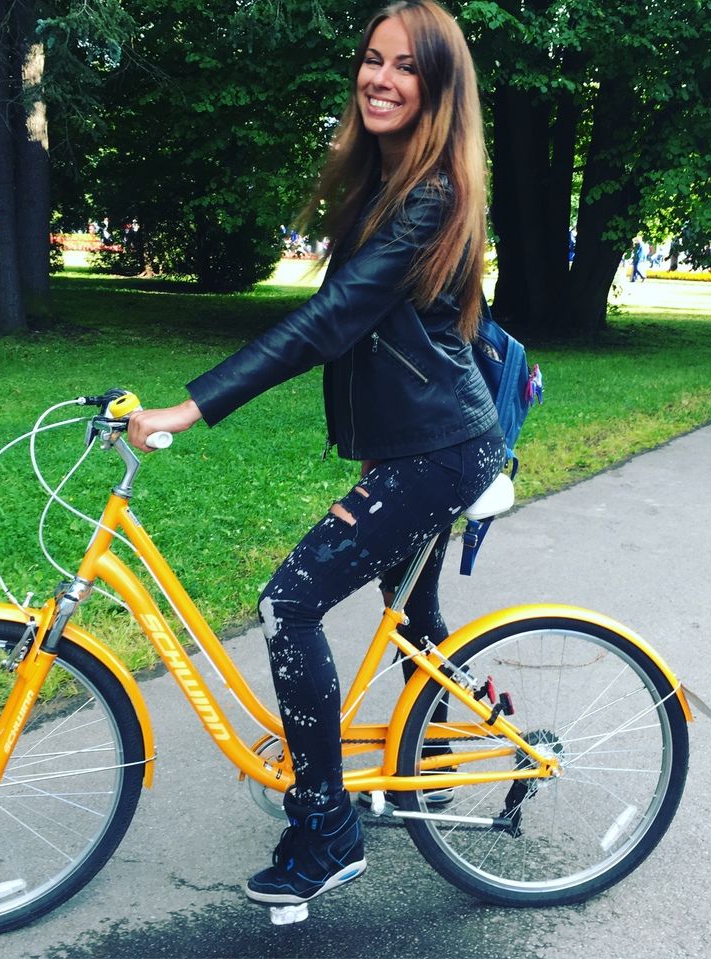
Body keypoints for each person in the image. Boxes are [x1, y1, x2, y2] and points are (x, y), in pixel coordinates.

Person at [128, 0, 503, 908]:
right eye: (373, 59)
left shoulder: (429, 196)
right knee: (414, 616)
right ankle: (435, 762)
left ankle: (328, 828)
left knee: (288, 602)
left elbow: (331, 322)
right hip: (424, 445)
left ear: (438, 88)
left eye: (405, 66)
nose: (380, 78)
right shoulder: (389, 183)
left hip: (437, 452)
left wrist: (192, 406)